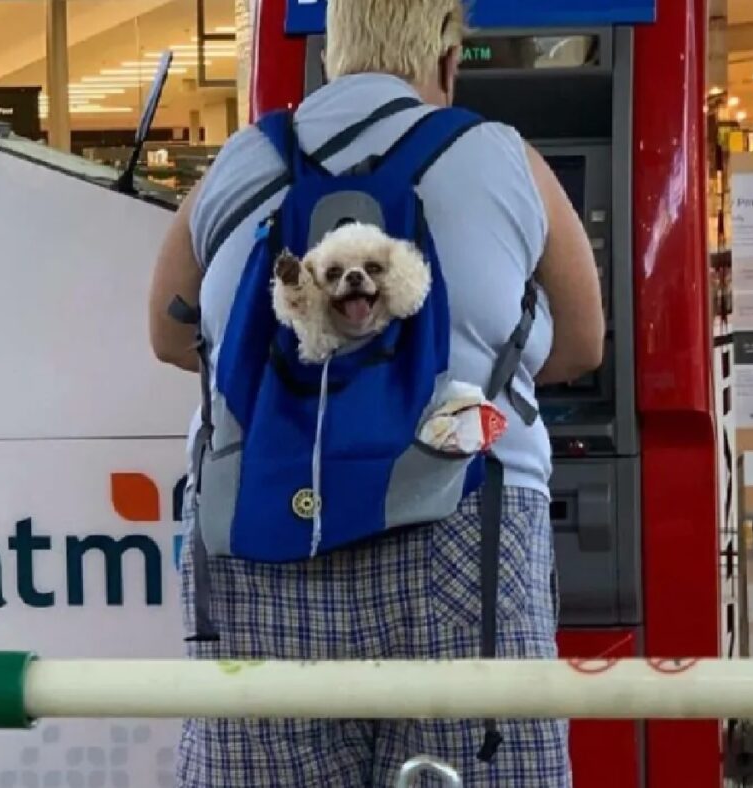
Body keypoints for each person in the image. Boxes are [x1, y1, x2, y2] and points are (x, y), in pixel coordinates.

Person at [148, 0, 604, 784]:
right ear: (448, 59)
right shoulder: (502, 154)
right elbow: (582, 345)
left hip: (263, 528)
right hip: (461, 524)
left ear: (331, 56)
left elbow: (170, 335)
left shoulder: (242, 158)